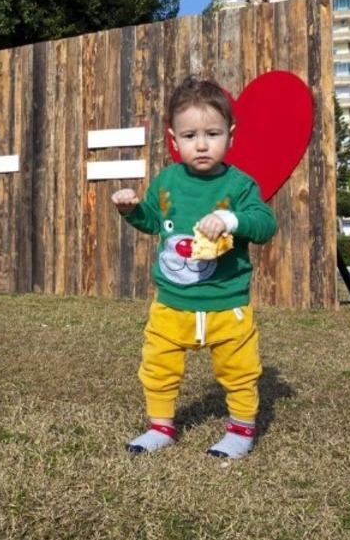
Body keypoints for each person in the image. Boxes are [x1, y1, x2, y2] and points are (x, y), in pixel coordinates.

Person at [112, 76, 277, 458]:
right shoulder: (167, 181)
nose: (201, 145)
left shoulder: (240, 185)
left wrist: (231, 220)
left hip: (226, 304)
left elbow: (265, 224)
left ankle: (240, 430)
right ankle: (160, 426)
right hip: (171, 303)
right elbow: (153, 221)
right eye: (190, 136)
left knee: (239, 369)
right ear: (174, 139)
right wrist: (131, 210)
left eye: (212, 134)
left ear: (230, 135)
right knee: (158, 364)